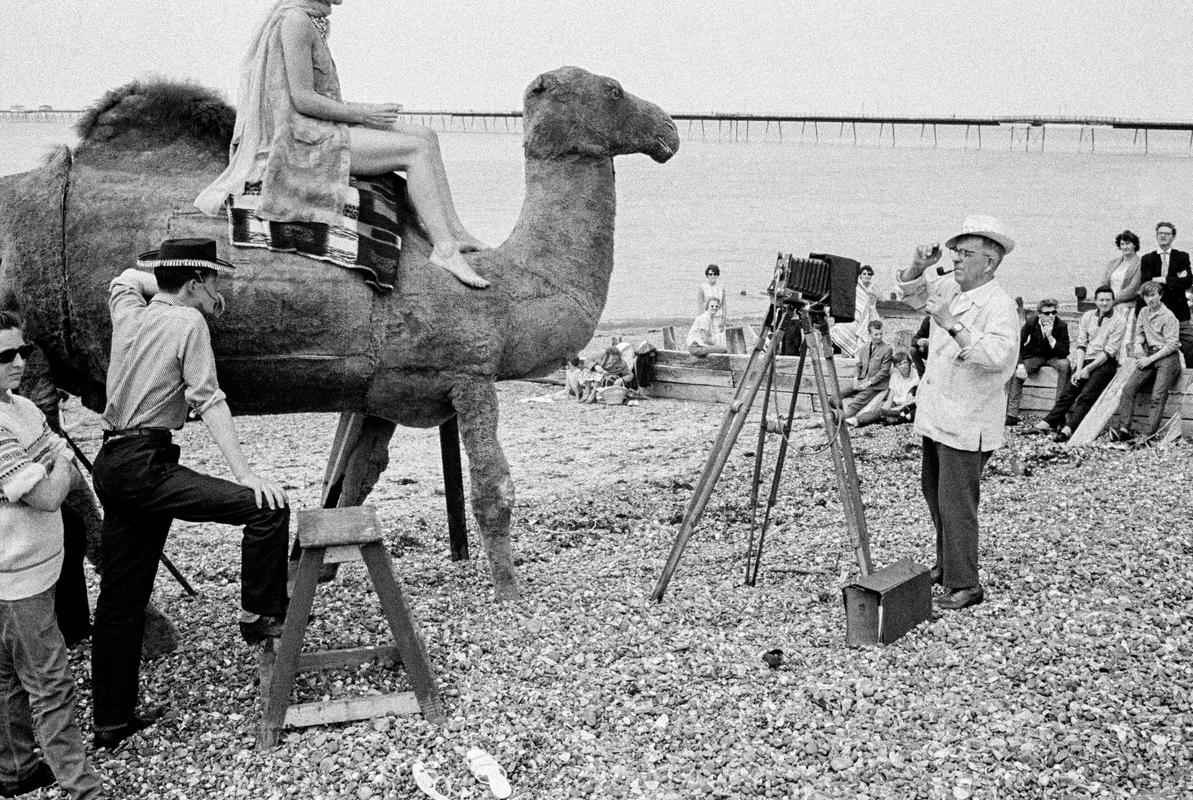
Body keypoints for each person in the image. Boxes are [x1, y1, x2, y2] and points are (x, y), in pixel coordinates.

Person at [90, 238, 291, 749]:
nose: (219, 290)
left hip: (111, 463)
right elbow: (209, 399)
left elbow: (125, 278)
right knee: (266, 509)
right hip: (145, 466)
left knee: (120, 601)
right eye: (214, 281)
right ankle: (259, 615)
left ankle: (111, 721)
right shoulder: (188, 323)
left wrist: (161, 274)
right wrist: (246, 473)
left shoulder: (129, 311)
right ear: (197, 282)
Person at [194, 0, 488, 289]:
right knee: (417, 151)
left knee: (426, 136)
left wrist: (366, 113)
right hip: (305, 138)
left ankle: (456, 231)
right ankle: (444, 249)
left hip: (321, 123)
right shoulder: (295, 21)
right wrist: (363, 114)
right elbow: (302, 99)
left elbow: (321, 97)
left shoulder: (312, 18)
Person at [0, 312, 107, 799]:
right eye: (5, 356)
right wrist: (56, 464)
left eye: (22, 352)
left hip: (33, 566)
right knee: (51, 682)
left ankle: (16, 769)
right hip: (16, 575)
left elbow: (49, 456)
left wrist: (49, 463)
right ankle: (80, 786)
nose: (18, 363)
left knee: (9, 678)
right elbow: (44, 496)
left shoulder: (19, 407)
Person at [895, 215, 1020, 611]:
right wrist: (918, 265)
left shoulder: (999, 305)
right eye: (955, 252)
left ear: (990, 262)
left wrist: (951, 325)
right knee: (933, 493)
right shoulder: (951, 285)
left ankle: (966, 583)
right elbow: (910, 294)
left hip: (969, 420)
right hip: (938, 415)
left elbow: (998, 357)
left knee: (957, 503)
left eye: (966, 253)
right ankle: (947, 566)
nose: (957, 259)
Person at [1034, 285, 1125, 442]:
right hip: (1086, 360)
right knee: (1069, 391)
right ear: (1095, 301)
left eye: (1108, 300)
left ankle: (1069, 428)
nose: (1104, 303)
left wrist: (1088, 369)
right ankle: (1047, 422)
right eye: (1101, 300)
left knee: (1087, 395)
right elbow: (1082, 344)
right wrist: (1079, 369)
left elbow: (1109, 352)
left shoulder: (1119, 321)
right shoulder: (1088, 316)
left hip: (1105, 363)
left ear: (1113, 301)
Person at [1104, 280, 1183, 444]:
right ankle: (1124, 429)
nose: (1150, 299)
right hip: (1149, 354)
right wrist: (1139, 344)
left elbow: (1171, 345)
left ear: (1160, 295)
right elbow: (1139, 333)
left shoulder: (1169, 317)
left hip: (1167, 356)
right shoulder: (1143, 312)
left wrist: (1149, 360)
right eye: (1147, 296)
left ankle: (1148, 434)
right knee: (1128, 389)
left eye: (1153, 295)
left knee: (1157, 395)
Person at [1005, 298, 1071, 426]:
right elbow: (1018, 343)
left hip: (1054, 356)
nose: (1051, 316)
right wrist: (1020, 364)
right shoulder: (1032, 322)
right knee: (1017, 373)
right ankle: (1012, 414)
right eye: (1047, 313)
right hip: (1035, 356)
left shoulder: (1061, 325)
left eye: (1054, 312)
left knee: (1066, 365)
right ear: (1039, 314)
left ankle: (1058, 415)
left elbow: (1065, 352)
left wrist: (1050, 337)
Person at [1140, 222, 1192, 365]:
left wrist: (1162, 279)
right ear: (1156, 236)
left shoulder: (1182, 257)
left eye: (1167, 233)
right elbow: (1146, 284)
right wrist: (1175, 280)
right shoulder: (1147, 259)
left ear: (1173, 237)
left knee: (1190, 346)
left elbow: (1187, 282)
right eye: (1160, 233)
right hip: (1156, 314)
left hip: (1179, 313)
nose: (1163, 236)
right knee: (1156, 351)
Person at [838, 319, 892, 421]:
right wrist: (855, 379)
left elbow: (884, 372)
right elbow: (858, 365)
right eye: (876, 334)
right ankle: (831, 414)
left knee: (856, 402)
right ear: (869, 334)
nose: (879, 337)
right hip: (862, 380)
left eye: (881, 334)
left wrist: (868, 383)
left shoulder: (887, 349)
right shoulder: (865, 347)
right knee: (840, 394)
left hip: (876, 385)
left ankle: (839, 419)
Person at [849, 351, 919, 428]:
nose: (903, 366)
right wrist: (886, 410)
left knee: (880, 412)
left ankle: (857, 420)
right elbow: (890, 399)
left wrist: (885, 411)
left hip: (906, 408)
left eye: (905, 363)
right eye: (900, 364)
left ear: (909, 363)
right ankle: (865, 420)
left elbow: (911, 402)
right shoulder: (895, 377)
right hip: (895, 404)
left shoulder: (917, 376)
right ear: (896, 367)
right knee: (880, 410)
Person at [1102, 230, 1142, 361]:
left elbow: (1133, 288)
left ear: (1134, 245)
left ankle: (1124, 368)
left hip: (1127, 307)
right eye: (1122, 244)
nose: (1125, 247)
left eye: (1128, 243)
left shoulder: (1139, 263)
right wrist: (1104, 299)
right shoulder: (1113, 262)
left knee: (1125, 340)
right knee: (1108, 338)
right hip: (1109, 306)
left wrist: (1112, 300)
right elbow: (1105, 283)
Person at [829, 264, 879, 357]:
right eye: (864, 274)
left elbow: (880, 301)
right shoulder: (856, 287)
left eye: (869, 274)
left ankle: (850, 358)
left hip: (866, 317)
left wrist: (873, 296)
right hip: (853, 314)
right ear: (860, 275)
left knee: (863, 335)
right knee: (842, 329)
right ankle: (840, 354)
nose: (867, 276)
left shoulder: (873, 288)